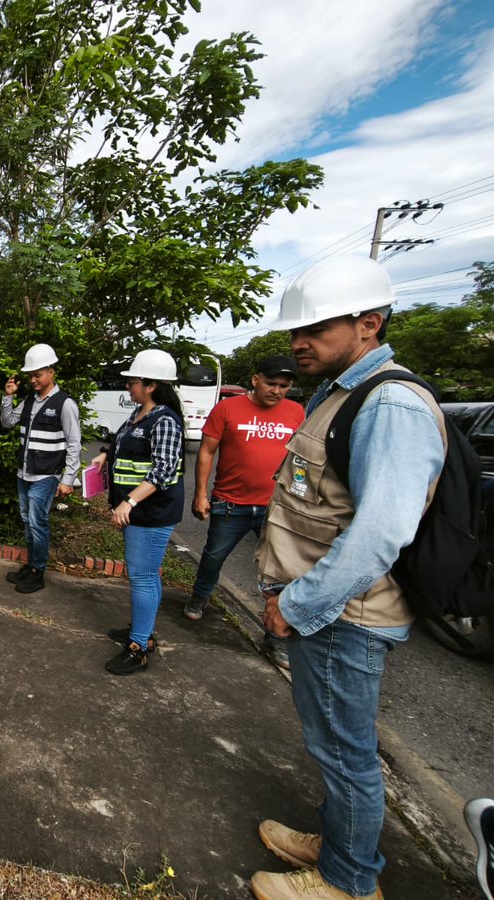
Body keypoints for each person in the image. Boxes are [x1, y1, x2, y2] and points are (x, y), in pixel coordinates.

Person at [250, 256, 445, 900]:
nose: (299, 343)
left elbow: (381, 531)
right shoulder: (342, 391)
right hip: (329, 610)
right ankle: (340, 842)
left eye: (317, 328)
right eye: (294, 332)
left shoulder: (390, 403)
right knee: (333, 744)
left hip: (344, 616)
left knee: (346, 754)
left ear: (369, 323)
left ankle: (348, 881)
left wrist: (298, 604)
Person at [186, 355, 305, 668]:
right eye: (271, 383)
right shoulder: (228, 408)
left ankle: (275, 638)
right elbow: (207, 452)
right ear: (255, 379)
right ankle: (200, 596)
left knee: (278, 571)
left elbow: (301, 459)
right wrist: (200, 495)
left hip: (275, 508)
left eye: (284, 386)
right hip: (230, 503)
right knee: (213, 557)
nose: (277, 391)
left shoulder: (296, 412)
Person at [89, 349, 185, 675]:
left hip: (150, 513)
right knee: (147, 575)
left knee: (142, 577)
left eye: (134, 381)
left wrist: (129, 501)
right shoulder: (139, 414)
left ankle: (138, 647)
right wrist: (105, 456)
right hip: (141, 512)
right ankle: (142, 633)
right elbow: (123, 444)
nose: (129, 386)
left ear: (152, 385)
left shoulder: (165, 420)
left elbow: (163, 469)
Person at [0, 343, 81, 595]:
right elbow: (7, 423)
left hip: (46, 474)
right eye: (30, 375)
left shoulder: (65, 403)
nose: (33, 380)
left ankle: (39, 572)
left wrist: (68, 479)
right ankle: (32, 565)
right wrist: (9, 396)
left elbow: (74, 443)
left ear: (51, 372)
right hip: (24, 472)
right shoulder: (29, 400)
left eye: (38, 374)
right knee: (28, 521)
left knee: (38, 522)